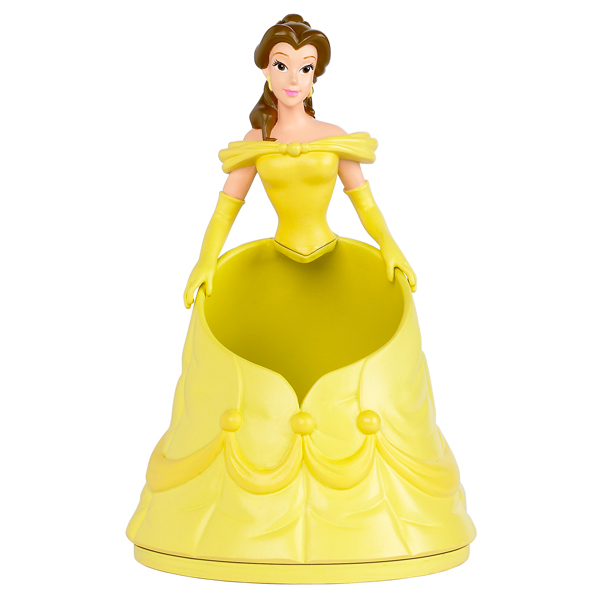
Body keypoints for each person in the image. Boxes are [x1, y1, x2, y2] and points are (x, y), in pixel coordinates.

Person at [127, 14, 476, 583]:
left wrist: (391, 247)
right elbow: (226, 208)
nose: (294, 78)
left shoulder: (333, 136)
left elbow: (364, 202)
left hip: (336, 259)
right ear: (265, 71)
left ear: (317, 76)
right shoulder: (255, 143)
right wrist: (205, 259)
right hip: (273, 263)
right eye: (282, 65)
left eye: (306, 68)